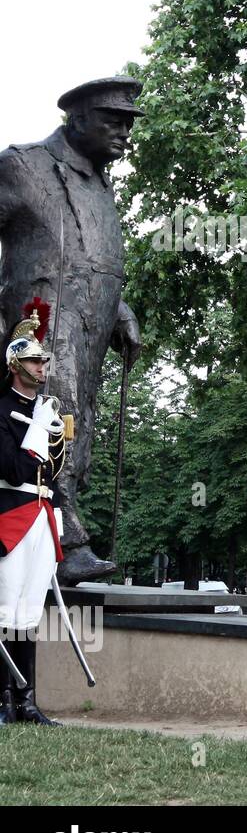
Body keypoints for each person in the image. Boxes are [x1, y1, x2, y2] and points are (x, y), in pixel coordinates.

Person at [0, 78, 144, 582]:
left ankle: (59, 531)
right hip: (41, 319)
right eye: (114, 121)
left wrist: (120, 309)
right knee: (52, 416)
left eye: (129, 123)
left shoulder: (101, 183)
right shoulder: (22, 164)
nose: (125, 133)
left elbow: (87, 259)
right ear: (77, 118)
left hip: (93, 322)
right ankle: (64, 536)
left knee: (79, 421)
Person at [0, 300, 67, 725]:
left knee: (29, 612)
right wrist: (39, 430)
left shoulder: (44, 408)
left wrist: (52, 431)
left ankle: (26, 700)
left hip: (43, 514)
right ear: (14, 365)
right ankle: (2, 700)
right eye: (33, 360)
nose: (42, 366)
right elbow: (13, 468)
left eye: (43, 360)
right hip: (10, 513)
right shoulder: (2, 409)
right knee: (4, 609)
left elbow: (55, 470)